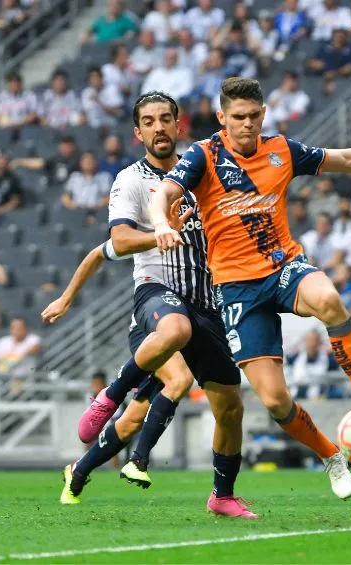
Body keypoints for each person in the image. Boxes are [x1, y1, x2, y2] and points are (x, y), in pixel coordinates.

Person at [150, 77, 351, 499]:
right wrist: (163, 221)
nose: (248, 124)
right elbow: (164, 191)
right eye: (238, 117)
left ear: (264, 114)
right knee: (275, 402)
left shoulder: (280, 150)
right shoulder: (203, 156)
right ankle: (332, 457)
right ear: (222, 118)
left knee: (329, 299)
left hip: (283, 266)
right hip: (237, 288)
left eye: (255, 116)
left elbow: (346, 159)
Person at [42, 92, 255, 518]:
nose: (159, 127)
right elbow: (117, 243)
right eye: (149, 121)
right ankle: (115, 405)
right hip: (156, 299)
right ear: (138, 132)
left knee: (229, 408)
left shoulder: (201, 172)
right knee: (175, 346)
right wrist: (159, 233)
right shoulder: (131, 180)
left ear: (179, 126)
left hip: (206, 305)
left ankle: (220, 494)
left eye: (165, 119)